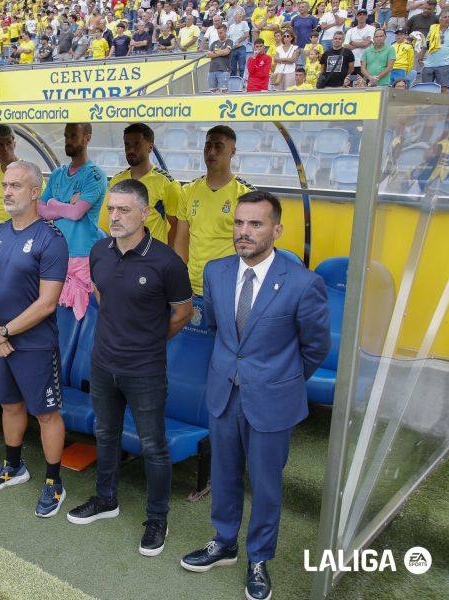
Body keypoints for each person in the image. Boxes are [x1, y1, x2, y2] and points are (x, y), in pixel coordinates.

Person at [181, 190, 330, 600]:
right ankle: (224, 541)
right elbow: (214, 325)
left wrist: (281, 379)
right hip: (224, 393)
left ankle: (259, 558)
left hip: (273, 399)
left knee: (265, 485)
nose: (244, 232)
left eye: (256, 224)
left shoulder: (303, 282)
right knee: (224, 473)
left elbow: (315, 347)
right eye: (239, 223)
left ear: (277, 230)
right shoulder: (216, 271)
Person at [68, 178, 193, 557]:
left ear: (144, 213)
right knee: (105, 434)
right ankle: (106, 500)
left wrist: (148, 340)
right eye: (111, 209)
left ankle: (157, 519)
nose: (115, 216)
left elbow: (183, 313)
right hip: (103, 364)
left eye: (124, 210)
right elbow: (105, 298)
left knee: (153, 445)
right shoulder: (99, 252)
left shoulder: (167, 262)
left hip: (145, 370)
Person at [0, 161, 70, 518]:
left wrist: (4, 331)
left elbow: (47, 303)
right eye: (4, 185)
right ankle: (13, 466)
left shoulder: (51, 239)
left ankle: (53, 481)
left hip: (34, 344)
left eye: (16, 186)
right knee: (9, 406)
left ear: (35, 192)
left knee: (46, 414)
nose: (7, 192)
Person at [173, 126, 256, 297]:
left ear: (232, 151)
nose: (211, 151)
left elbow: (252, 246)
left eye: (219, 146)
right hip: (192, 286)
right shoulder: (188, 191)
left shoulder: (246, 195)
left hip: (228, 287)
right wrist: (180, 279)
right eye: (208, 145)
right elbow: (181, 239)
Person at [37, 123, 107, 318]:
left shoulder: (95, 175)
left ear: (87, 138)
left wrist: (53, 203)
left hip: (82, 257)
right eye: (66, 136)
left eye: (73, 136)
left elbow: (77, 214)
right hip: (57, 253)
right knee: (55, 313)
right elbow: (40, 208)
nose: (68, 141)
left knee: (82, 317)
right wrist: (66, 207)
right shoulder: (58, 174)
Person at [98, 123, 183, 246]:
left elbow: (176, 226)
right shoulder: (116, 181)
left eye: (137, 144)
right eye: (127, 145)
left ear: (150, 147)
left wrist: (166, 254)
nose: (131, 150)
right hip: (122, 255)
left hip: (152, 258)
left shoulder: (166, 184)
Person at [420, 10, 449, 93]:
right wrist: (420, 58)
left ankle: (443, 106)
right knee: (426, 89)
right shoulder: (433, 28)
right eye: (445, 17)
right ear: (439, 19)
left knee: (443, 89)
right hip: (429, 63)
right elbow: (426, 44)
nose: (447, 19)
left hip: (444, 64)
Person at [344, 9, 377, 76]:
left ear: (367, 16)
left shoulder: (372, 28)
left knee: (364, 85)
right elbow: (345, 46)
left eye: (364, 14)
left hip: (367, 63)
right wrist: (362, 43)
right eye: (359, 15)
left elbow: (366, 44)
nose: (362, 16)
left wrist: (352, 42)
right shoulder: (350, 30)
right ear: (356, 17)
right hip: (353, 63)